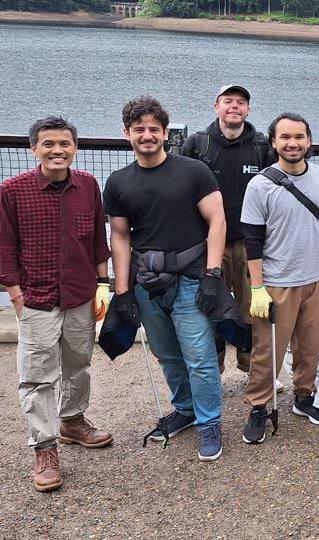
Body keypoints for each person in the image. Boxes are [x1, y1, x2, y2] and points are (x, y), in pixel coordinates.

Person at [103, 95, 227, 461]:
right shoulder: (118, 182)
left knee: (200, 355)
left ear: (164, 133)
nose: (147, 135)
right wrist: (123, 291)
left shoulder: (193, 171)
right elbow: (120, 235)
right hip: (146, 282)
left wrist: (213, 274)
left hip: (190, 277)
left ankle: (210, 423)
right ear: (127, 133)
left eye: (153, 129)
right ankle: (186, 409)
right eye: (139, 129)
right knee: (168, 355)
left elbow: (217, 221)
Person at [0, 117, 113, 492]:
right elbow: (4, 249)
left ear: (75, 148)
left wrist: (103, 284)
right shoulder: (12, 191)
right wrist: (17, 296)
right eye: (48, 144)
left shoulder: (88, 186)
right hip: (37, 297)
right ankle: (44, 446)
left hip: (81, 294)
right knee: (36, 375)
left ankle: (72, 420)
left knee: (79, 362)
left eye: (64, 143)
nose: (57, 150)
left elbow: (98, 237)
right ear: (34, 149)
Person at [240, 113, 319, 444]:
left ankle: (304, 395)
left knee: (310, 345)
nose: (292, 143)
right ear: (274, 143)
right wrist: (257, 288)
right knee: (268, 349)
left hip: (316, 276)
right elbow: (251, 239)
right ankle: (259, 405)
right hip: (277, 280)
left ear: (309, 140)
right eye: (285, 137)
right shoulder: (260, 185)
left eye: (299, 137)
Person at [180, 84, 276, 374]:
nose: (234, 106)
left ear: (248, 109)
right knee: (210, 306)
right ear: (216, 106)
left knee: (253, 309)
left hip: (251, 245)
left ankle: (252, 368)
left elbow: (277, 190)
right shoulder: (198, 144)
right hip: (209, 244)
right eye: (228, 101)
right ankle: (213, 368)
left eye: (241, 102)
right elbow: (181, 190)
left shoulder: (261, 147)